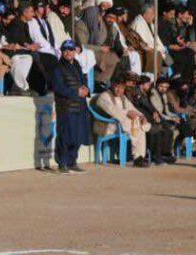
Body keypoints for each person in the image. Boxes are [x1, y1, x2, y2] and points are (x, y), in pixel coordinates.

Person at [50, 40, 90, 173]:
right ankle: (62, 164)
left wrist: (86, 89)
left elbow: (83, 80)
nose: (68, 52)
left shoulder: (77, 64)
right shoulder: (58, 67)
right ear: (62, 52)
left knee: (77, 136)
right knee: (65, 135)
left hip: (79, 105)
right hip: (65, 106)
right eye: (65, 50)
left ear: (74, 51)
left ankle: (72, 162)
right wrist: (75, 92)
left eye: (71, 50)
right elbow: (58, 87)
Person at [94, 77, 151, 167]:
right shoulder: (104, 96)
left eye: (121, 88)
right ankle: (137, 157)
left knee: (139, 123)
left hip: (120, 124)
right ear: (112, 86)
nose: (119, 90)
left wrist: (141, 116)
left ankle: (139, 157)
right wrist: (128, 113)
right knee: (135, 125)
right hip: (107, 125)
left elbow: (132, 108)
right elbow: (113, 111)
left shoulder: (123, 98)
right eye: (117, 87)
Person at [128, 75, 176, 165]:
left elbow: (151, 107)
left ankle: (165, 154)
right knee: (157, 129)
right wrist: (154, 113)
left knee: (168, 130)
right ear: (141, 85)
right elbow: (142, 107)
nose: (149, 86)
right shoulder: (136, 93)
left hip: (147, 117)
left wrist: (155, 113)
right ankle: (156, 156)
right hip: (141, 118)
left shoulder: (144, 93)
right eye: (147, 84)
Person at [129, 5, 170, 74]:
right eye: (151, 14)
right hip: (144, 50)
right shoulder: (139, 23)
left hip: (153, 48)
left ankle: (166, 76)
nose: (153, 17)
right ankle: (157, 77)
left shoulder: (150, 24)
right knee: (160, 54)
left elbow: (157, 39)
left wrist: (160, 47)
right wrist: (155, 48)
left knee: (167, 56)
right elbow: (142, 42)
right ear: (145, 14)